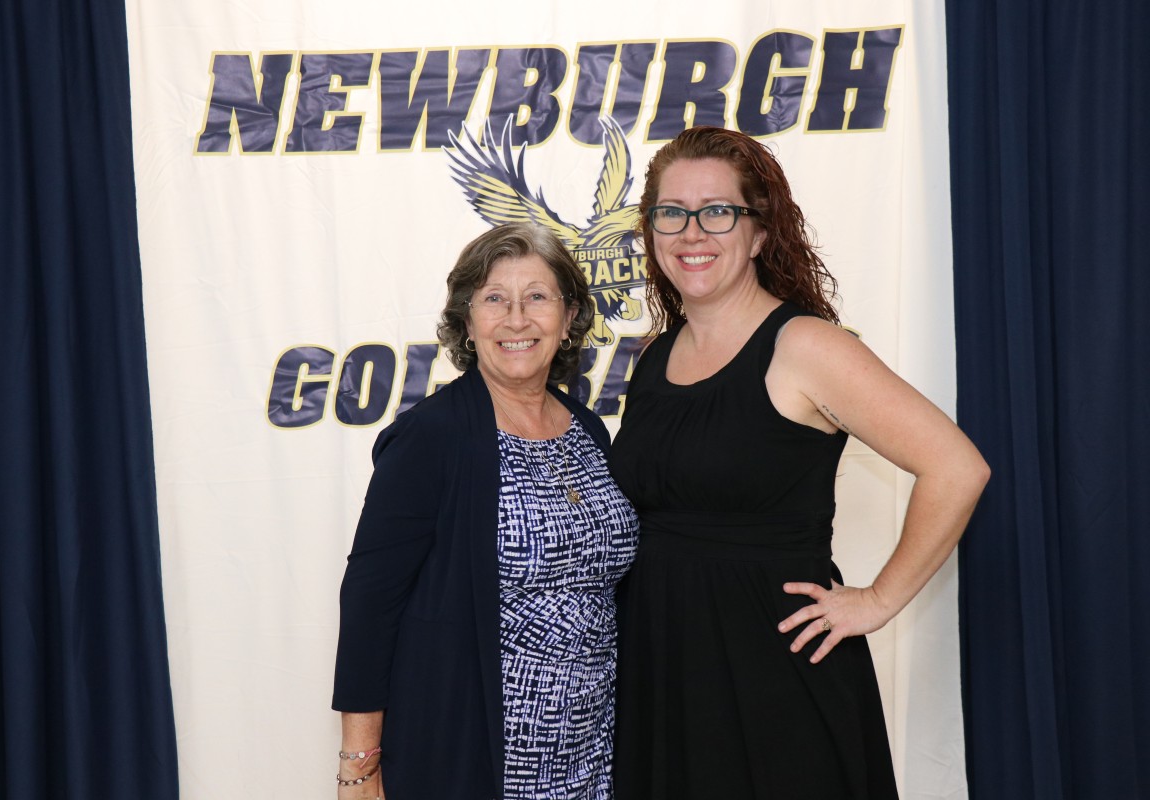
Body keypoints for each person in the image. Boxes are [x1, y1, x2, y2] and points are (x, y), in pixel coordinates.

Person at [608, 126, 990, 799]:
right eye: (671, 213)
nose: (691, 233)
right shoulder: (654, 359)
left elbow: (957, 467)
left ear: (759, 233)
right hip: (665, 669)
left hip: (775, 673)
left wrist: (875, 600)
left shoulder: (805, 346)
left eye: (717, 212)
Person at [332, 222, 638, 800]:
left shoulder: (590, 432)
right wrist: (360, 767)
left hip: (592, 754)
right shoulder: (431, 438)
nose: (516, 318)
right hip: (475, 754)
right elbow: (371, 603)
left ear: (568, 317)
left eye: (537, 297)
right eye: (495, 299)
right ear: (468, 322)